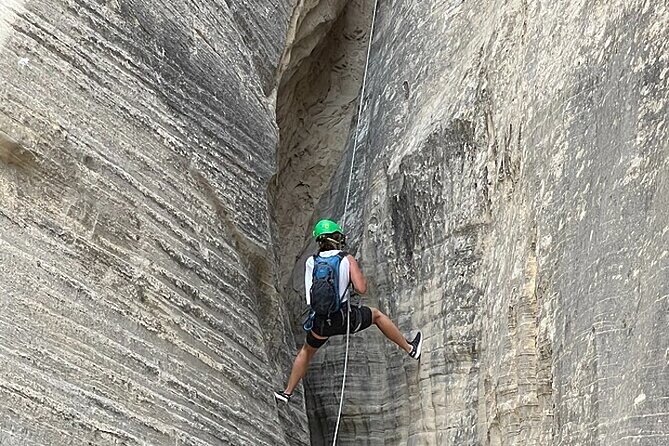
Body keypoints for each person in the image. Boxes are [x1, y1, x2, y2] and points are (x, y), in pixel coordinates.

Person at [274, 219, 423, 403]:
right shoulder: (346, 258)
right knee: (376, 315)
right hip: (344, 319)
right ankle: (410, 348)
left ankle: (287, 393)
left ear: (319, 240)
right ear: (338, 237)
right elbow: (361, 289)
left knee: (306, 351)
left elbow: (310, 298)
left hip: (321, 323)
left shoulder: (311, 262)